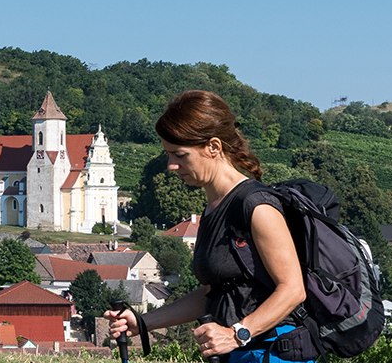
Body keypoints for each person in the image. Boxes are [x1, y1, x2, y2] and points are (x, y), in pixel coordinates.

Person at [106, 90, 312, 362]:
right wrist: (143, 322)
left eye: (179, 155)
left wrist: (237, 333)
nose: (171, 165)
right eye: (168, 155)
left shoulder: (257, 206)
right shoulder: (214, 207)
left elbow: (293, 289)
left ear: (213, 147)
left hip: (272, 352)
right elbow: (212, 295)